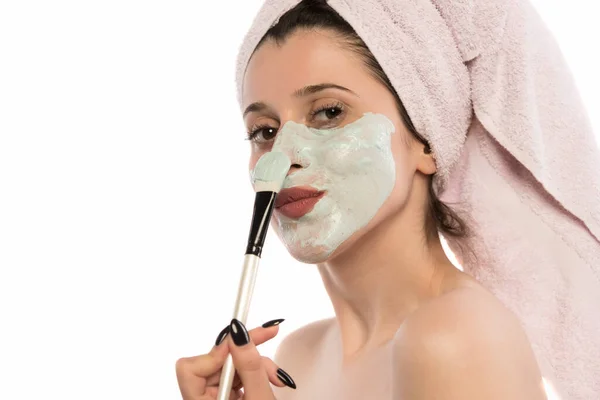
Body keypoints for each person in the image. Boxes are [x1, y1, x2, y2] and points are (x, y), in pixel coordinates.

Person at [176, 1, 600, 399]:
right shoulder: (299, 355)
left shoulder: (455, 337)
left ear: (425, 142)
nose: (283, 154)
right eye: (264, 131)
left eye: (328, 113)